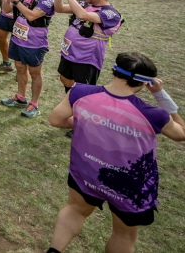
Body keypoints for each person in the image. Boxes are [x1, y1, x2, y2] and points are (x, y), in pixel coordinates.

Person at [46, 52, 184, 253]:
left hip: (86, 171)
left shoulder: (80, 92)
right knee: (123, 234)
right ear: (145, 83)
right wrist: (160, 95)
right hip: (129, 185)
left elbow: (56, 120)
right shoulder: (154, 115)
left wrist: (88, 120)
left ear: (114, 70)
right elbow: (181, 134)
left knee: (75, 210)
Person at [0, 0, 54, 118]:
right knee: (20, 68)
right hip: (17, 38)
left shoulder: (46, 0)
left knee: (35, 73)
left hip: (34, 43)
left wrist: (15, 0)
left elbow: (32, 15)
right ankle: (21, 97)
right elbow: (6, 10)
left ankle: (34, 104)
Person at [55, 0, 122, 93]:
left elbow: (82, 15)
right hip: (69, 51)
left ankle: (79, 105)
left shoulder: (111, 14)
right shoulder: (85, 3)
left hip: (86, 58)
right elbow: (59, 9)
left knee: (83, 88)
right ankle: (71, 100)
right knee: (65, 78)